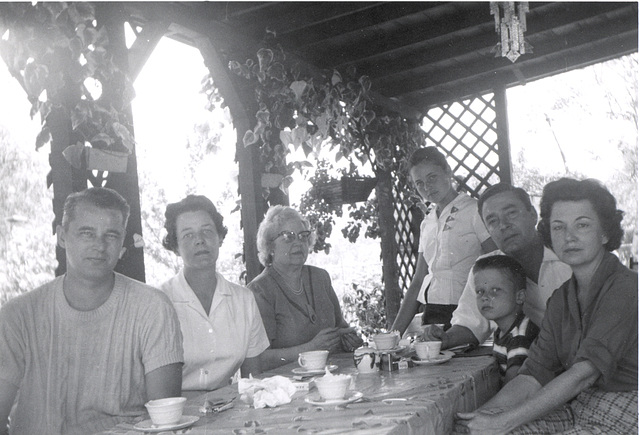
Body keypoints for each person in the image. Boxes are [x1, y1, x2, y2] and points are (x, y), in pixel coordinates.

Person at [457, 178, 637, 434]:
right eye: (558, 227)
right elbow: (533, 375)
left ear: (605, 232)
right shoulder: (561, 299)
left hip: (628, 406)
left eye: (582, 225)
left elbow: (585, 373)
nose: (569, 237)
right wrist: (477, 418)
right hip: (580, 404)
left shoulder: (626, 288)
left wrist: (503, 422)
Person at [0, 187, 183, 435]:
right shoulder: (18, 316)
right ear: (62, 236)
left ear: (121, 245)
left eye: (111, 235)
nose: (99, 245)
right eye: (87, 233)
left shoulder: (152, 308)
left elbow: (166, 421)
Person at [425, 183, 572, 350]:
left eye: (511, 213)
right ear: (487, 229)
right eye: (492, 221)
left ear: (533, 215)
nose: (503, 225)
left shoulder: (570, 258)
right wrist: (446, 338)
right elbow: (470, 324)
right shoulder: (487, 269)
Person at [160, 195, 269, 390]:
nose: (200, 241)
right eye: (188, 235)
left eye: (207, 231)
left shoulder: (243, 300)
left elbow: (253, 381)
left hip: (226, 410)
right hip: (174, 414)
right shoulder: (159, 301)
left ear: (219, 238)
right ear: (175, 246)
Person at [391, 147, 496, 334]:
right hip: (432, 313)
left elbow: (497, 263)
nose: (427, 188)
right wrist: (393, 335)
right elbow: (418, 280)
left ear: (448, 171)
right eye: (419, 183)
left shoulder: (474, 210)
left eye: (432, 177)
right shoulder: (427, 222)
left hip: (468, 312)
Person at [248, 205, 363, 369]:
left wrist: (349, 340)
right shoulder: (260, 291)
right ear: (270, 246)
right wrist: (310, 349)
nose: (298, 243)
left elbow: (341, 328)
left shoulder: (320, 278)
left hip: (333, 377)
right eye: (288, 237)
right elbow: (260, 359)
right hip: (287, 385)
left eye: (303, 236)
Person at [473, 255, 539, 384]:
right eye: (480, 291)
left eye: (495, 290)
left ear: (519, 296)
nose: (485, 297)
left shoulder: (520, 337)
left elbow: (514, 384)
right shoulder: (503, 330)